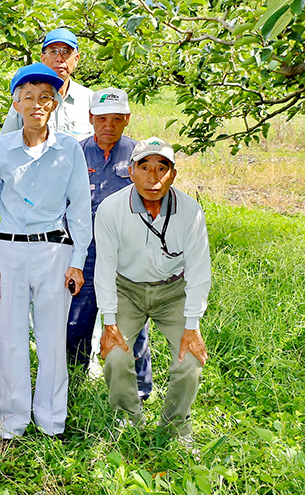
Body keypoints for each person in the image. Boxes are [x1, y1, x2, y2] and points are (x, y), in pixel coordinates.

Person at [0, 63, 92, 441]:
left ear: (56, 103)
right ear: (16, 103)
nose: (37, 104)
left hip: (54, 251)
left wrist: (77, 261)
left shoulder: (69, 149)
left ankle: (51, 420)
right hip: (9, 251)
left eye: (46, 97)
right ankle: (10, 423)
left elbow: (78, 208)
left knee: (51, 339)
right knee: (9, 339)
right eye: (29, 98)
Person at [96, 137, 210, 442]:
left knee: (190, 361)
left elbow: (199, 270)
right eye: (144, 167)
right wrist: (108, 322)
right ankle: (128, 421)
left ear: (173, 174)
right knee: (116, 356)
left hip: (173, 292)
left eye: (162, 168)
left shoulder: (190, 211)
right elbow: (104, 268)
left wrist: (193, 325)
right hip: (127, 291)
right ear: (131, 171)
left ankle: (175, 427)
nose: (152, 177)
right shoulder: (111, 209)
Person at [67, 88, 152, 400]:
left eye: (117, 119)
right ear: (90, 118)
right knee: (76, 323)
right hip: (84, 255)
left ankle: (139, 392)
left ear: (127, 119)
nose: (109, 125)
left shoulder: (140, 156)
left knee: (132, 326)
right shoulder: (74, 152)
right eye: (102, 119)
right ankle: (72, 386)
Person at [0, 28, 94, 140]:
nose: (59, 58)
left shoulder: (89, 99)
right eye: (53, 52)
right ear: (43, 58)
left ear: (76, 59)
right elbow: (5, 141)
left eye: (66, 52)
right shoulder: (25, 98)